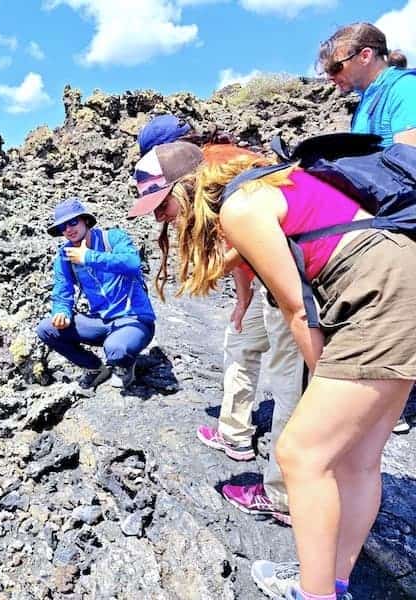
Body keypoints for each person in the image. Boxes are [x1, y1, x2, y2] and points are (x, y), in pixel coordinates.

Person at [137, 140, 415, 600]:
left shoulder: (240, 208)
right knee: (359, 459)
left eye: (162, 203)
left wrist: (321, 378)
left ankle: (316, 594)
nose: (160, 217)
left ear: (186, 189)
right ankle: (332, 583)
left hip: (377, 297)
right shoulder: (268, 184)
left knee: (300, 454)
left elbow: (297, 309)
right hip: (400, 278)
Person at [133, 117, 303, 526]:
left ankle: (283, 496)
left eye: (162, 208)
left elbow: (246, 236)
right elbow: (244, 246)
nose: (163, 219)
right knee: (241, 344)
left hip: (293, 279)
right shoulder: (216, 167)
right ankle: (235, 433)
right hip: (269, 277)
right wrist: (243, 300)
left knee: (288, 383)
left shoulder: (214, 172)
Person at [318, 23, 416, 435]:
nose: (331, 79)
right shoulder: (365, 101)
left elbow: (410, 154)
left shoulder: (403, 88)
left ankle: (392, 393)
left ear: (364, 55)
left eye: (335, 68)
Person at [36, 197, 156, 389]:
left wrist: (88, 257)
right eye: (62, 227)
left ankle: (124, 364)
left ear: (85, 220)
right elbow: (62, 289)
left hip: (133, 320)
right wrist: (61, 312)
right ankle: (95, 368)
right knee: (46, 329)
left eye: (73, 222)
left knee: (115, 349)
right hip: (100, 321)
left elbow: (133, 264)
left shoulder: (113, 238)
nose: (68, 229)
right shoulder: (65, 255)